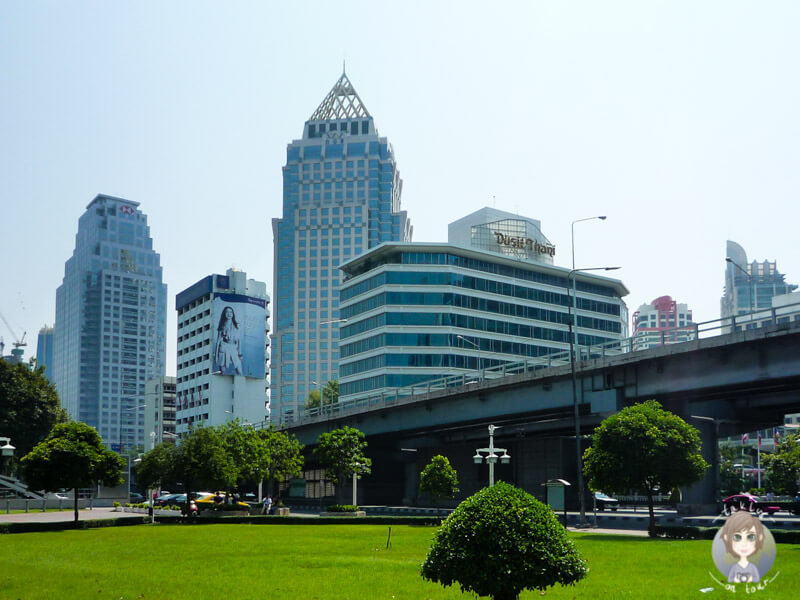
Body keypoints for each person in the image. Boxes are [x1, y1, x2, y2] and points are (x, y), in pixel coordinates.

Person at [721, 511, 765, 583]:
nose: (744, 544)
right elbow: (730, 579)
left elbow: (757, 579)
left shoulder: (752, 567)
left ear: (760, 538)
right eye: (737, 537)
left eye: (751, 537)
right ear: (726, 538)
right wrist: (736, 580)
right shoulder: (735, 567)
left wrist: (749, 579)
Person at [214, 306, 243, 375]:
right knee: (223, 372)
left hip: (233, 348)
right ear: (224, 314)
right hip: (224, 347)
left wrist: (240, 353)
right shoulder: (222, 326)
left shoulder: (237, 326)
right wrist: (216, 356)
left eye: (230, 312)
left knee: (240, 371)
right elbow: (218, 342)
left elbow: (239, 341)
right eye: (227, 312)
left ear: (233, 314)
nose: (229, 314)